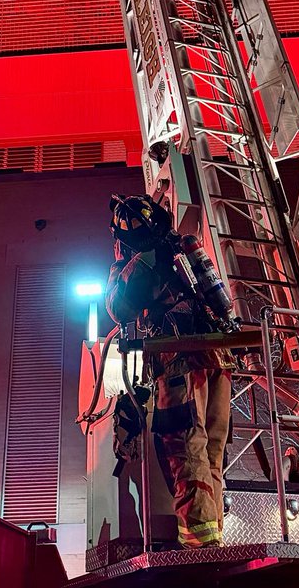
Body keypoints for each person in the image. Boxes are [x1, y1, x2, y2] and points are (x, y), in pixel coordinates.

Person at [105, 194, 233, 549]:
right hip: (217, 360)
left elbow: (119, 308)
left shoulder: (142, 262)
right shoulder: (184, 247)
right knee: (210, 457)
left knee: (185, 452)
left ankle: (200, 548)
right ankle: (212, 539)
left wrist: (122, 264)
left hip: (179, 365)